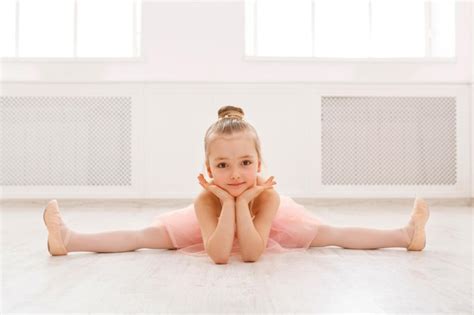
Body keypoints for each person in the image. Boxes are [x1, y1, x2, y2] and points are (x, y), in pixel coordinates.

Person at [43, 105, 430, 264]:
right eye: (223, 165)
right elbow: (219, 255)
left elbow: (251, 253)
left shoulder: (270, 196)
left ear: (260, 163)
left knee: (332, 232)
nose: (235, 175)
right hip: (212, 225)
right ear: (208, 169)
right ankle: (69, 239)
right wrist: (228, 202)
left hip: (259, 225)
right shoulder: (205, 201)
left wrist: (249, 200)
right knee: (144, 236)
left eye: (245, 163)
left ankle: (405, 233)